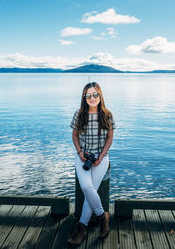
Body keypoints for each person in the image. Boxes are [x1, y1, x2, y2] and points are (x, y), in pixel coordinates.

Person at [67, 82, 115, 247]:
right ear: (84, 97)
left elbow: (109, 138)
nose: (92, 98)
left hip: (101, 158)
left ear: (100, 96)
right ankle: (103, 217)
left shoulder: (107, 115)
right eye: (88, 95)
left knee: (90, 191)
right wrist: (80, 153)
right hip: (82, 157)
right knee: (88, 189)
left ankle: (81, 228)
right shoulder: (79, 114)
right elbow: (74, 136)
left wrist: (101, 156)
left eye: (95, 94)